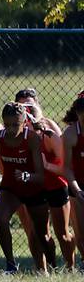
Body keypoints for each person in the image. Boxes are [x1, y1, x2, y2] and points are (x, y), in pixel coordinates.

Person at [0, 102, 52, 274]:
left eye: (15, 125)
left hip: (33, 189)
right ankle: (11, 265)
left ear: (24, 123)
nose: (11, 129)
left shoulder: (32, 139)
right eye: (7, 125)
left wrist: (26, 176)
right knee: (1, 220)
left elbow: (40, 176)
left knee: (42, 235)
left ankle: (53, 266)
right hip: (10, 188)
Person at [15, 88, 73, 270]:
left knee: (62, 233)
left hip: (55, 182)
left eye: (31, 105)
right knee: (35, 232)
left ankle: (70, 266)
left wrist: (47, 165)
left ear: (38, 106)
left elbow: (64, 162)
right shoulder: (15, 131)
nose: (28, 110)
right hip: (33, 185)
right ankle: (43, 269)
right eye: (23, 106)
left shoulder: (48, 126)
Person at [61, 91, 84, 271]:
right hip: (78, 185)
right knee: (81, 231)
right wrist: (76, 189)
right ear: (77, 115)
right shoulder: (70, 134)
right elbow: (66, 168)